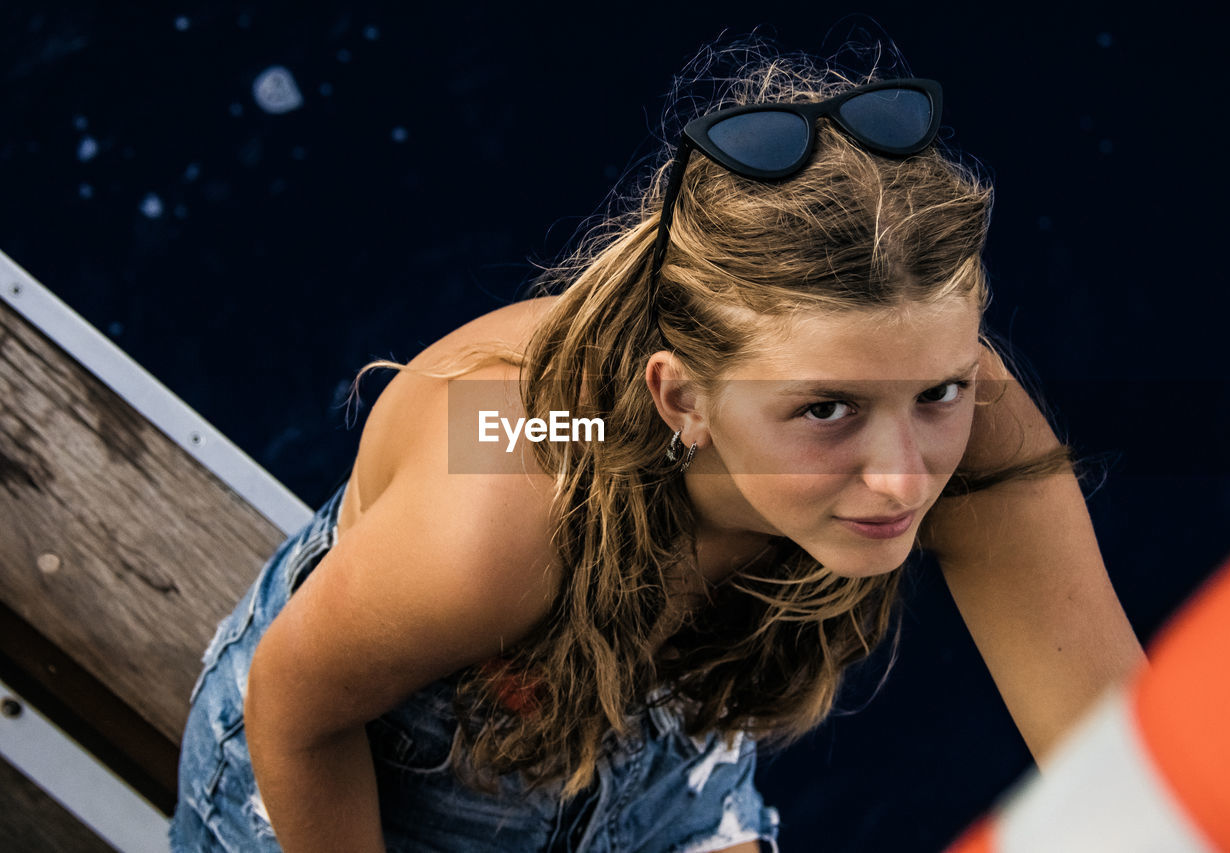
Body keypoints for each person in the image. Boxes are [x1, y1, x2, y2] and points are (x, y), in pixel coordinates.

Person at [169, 42, 1144, 852]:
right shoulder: (515, 483)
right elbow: (294, 706)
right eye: (824, 410)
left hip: (663, 774)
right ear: (678, 396)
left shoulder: (961, 417)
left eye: (937, 388)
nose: (902, 474)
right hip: (364, 791)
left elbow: (1129, 769)